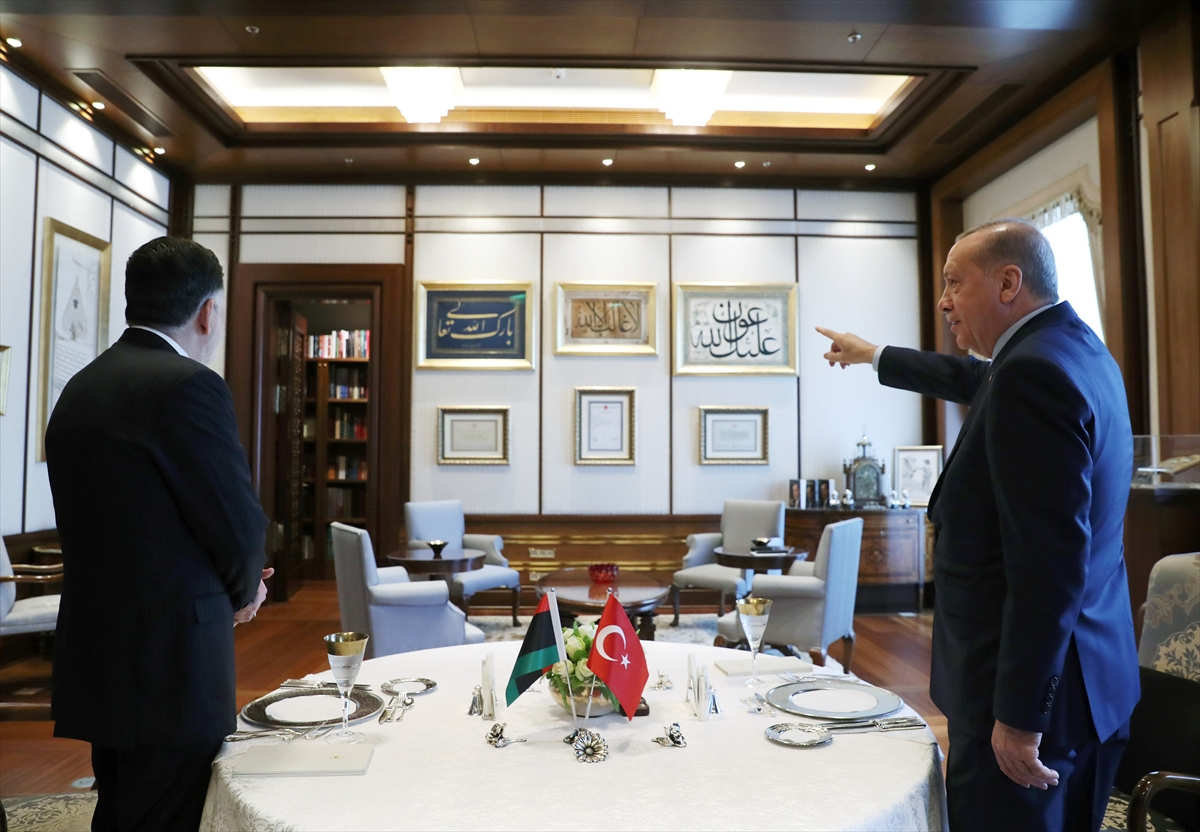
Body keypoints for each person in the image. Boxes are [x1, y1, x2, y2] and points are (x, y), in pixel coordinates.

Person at [816, 220, 1138, 832]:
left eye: (953, 283)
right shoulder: (1071, 349)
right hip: (1091, 677)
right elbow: (971, 378)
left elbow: (1047, 568)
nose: (943, 302)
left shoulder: (1030, 374)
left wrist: (1020, 717)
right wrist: (874, 354)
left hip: (1030, 700)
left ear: (1008, 283)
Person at [46, 237, 271, 831]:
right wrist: (245, 590)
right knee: (169, 813)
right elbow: (235, 520)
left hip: (100, 649)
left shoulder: (81, 386)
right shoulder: (189, 385)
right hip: (171, 659)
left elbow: (135, 523)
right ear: (208, 312)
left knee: (124, 807)